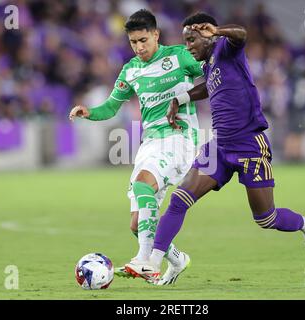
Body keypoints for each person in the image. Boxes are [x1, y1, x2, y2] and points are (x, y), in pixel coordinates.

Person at [125, 12, 305, 283]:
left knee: (265, 218)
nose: (188, 46)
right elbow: (208, 87)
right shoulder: (208, 64)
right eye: (185, 41)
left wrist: (218, 31)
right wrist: (180, 98)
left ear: (208, 36)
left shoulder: (227, 49)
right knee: (179, 199)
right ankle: (152, 261)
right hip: (219, 146)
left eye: (192, 40)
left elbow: (242, 33)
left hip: (249, 144)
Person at [69, 9, 204, 285]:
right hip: (150, 143)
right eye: (133, 42)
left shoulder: (180, 56)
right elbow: (110, 107)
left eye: (143, 40)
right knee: (136, 224)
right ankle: (177, 260)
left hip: (180, 138)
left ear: (156, 34)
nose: (139, 47)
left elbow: (214, 75)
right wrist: (89, 112)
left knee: (143, 185)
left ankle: (145, 261)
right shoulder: (131, 69)